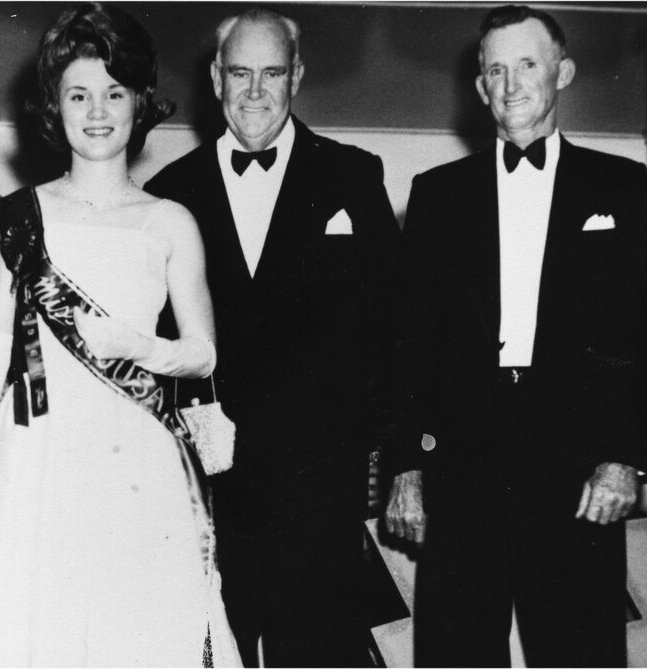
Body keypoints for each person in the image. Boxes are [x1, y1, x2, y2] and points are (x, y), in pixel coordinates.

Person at [0, 4, 240, 666]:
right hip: (37, 446)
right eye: (79, 94)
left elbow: (205, 350)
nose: (97, 111)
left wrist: (142, 347)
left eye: (114, 93)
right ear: (54, 106)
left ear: (140, 102)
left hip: (136, 455)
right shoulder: (20, 215)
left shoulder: (169, 220)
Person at [383, 5, 647, 667]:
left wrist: (624, 457)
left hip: (576, 463)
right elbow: (409, 343)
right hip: (461, 460)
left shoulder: (619, 184)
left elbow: (644, 333)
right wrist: (404, 467)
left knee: (580, 651)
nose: (511, 84)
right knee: (456, 653)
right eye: (495, 70)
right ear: (480, 87)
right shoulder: (437, 194)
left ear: (562, 72)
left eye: (527, 64)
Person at [144, 8, 399, 667]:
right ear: (214, 78)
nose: (255, 91)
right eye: (239, 73)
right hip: (210, 486)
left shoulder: (353, 175)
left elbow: (389, 330)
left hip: (319, 486)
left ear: (297, 77)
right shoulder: (168, 194)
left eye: (272, 73)